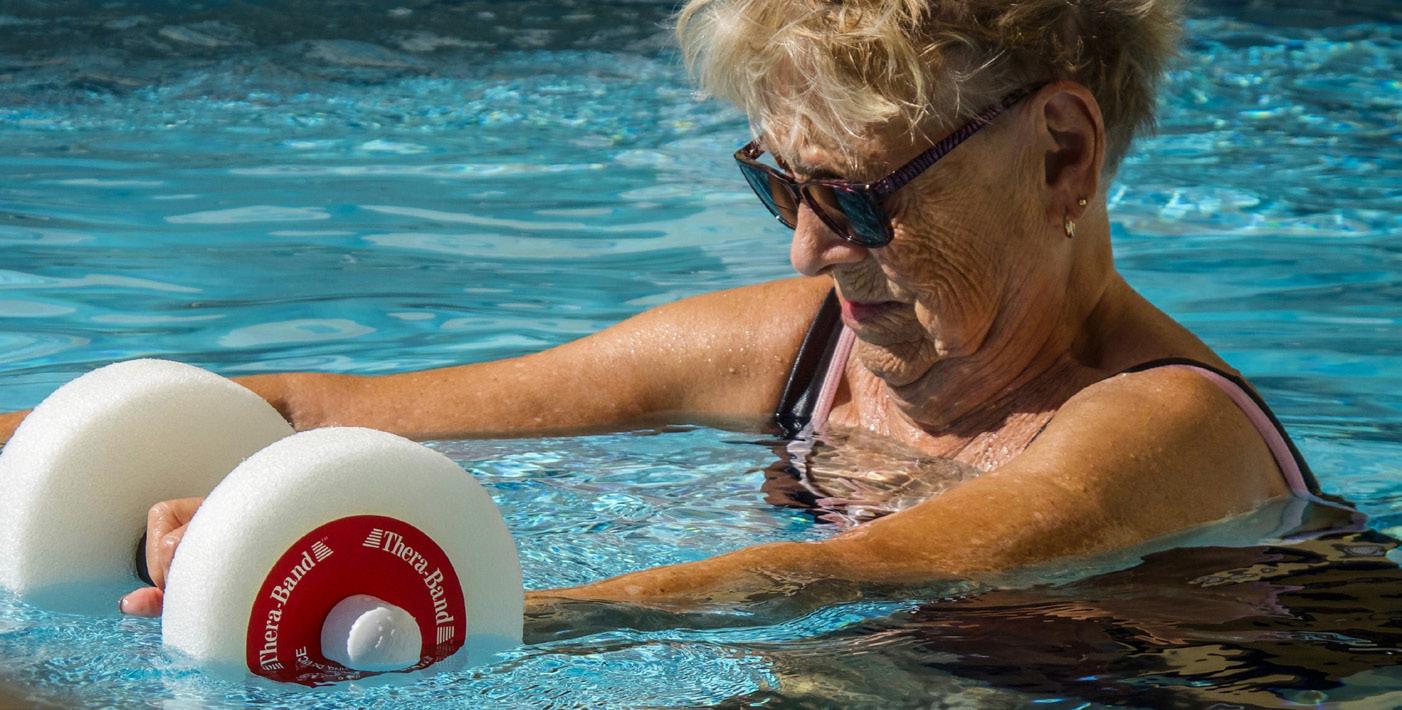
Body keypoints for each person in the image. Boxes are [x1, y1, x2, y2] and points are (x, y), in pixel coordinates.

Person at [0, 0, 1335, 619]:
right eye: (780, 184)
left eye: (862, 198)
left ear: (1061, 154)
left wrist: (430, 602)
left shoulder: (1166, 426)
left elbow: (860, 574)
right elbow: (313, 408)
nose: (809, 248)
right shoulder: (801, 354)